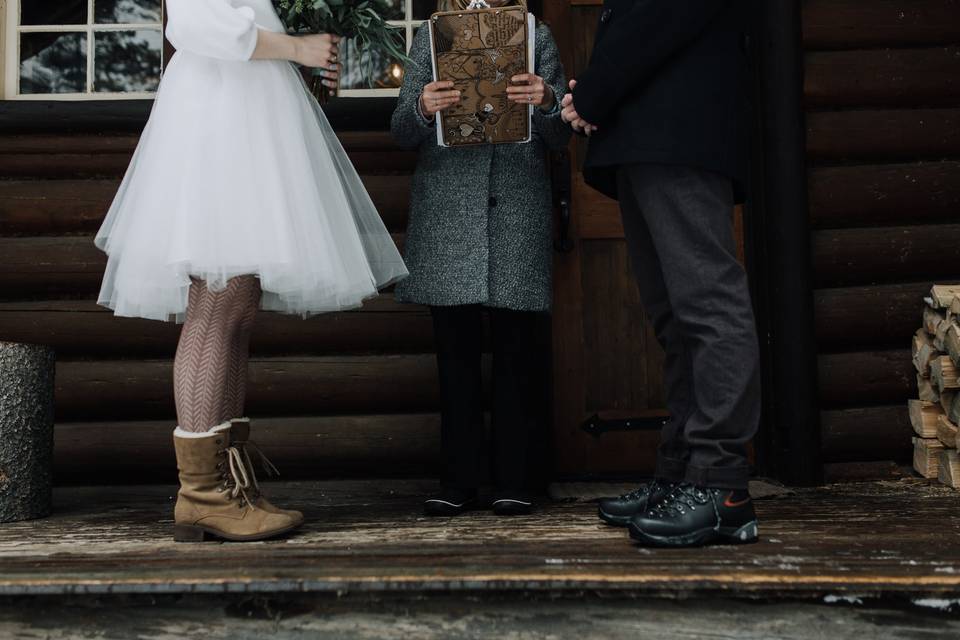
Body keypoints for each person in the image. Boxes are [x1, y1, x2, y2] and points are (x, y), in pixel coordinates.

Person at [94, 0, 408, 542]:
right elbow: (189, 22)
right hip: (220, 125)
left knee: (237, 304)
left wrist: (305, 47)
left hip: (250, 117)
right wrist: (295, 47)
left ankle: (229, 484)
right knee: (218, 297)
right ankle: (201, 494)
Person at [561, 0, 760, 547]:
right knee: (675, 316)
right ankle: (680, 472)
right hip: (653, 132)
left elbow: (657, 13)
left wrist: (593, 94)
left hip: (681, 127)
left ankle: (721, 487)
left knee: (708, 305)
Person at [391, 0, 570, 516]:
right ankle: (458, 482)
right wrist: (423, 107)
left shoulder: (539, 36)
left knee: (518, 354)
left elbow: (561, 135)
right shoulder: (429, 37)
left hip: (516, 207)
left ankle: (515, 480)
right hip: (449, 211)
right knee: (456, 357)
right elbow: (402, 130)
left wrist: (548, 98)